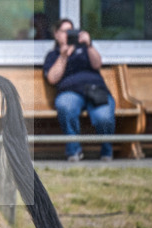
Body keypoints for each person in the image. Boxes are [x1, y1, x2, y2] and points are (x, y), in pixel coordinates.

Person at [43, 18, 115, 162]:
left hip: (95, 89)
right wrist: (63, 56)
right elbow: (52, 78)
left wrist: (89, 45)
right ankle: (74, 151)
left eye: (71, 31)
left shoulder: (85, 49)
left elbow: (97, 64)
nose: (68, 34)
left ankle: (107, 152)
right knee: (65, 106)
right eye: (65, 31)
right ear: (56, 34)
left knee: (104, 117)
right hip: (70, 92)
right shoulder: (53, 55)